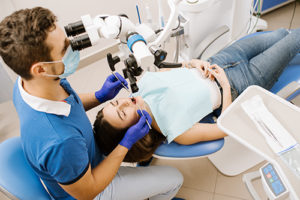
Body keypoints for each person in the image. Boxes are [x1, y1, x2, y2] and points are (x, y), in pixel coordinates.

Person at [0, 7, 184, 200]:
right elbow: (88, 192)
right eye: (64, 48)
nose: (73, 47)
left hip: (79, 160)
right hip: (90, 190)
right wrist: (126, 143)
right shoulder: (62, 141)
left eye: (68, 39)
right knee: (174, 179)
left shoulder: (29, 85)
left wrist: (99, 96)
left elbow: (66, 103)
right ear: (40, 69)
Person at [93, 28, 300, 163]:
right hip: (242, 82)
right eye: (122, 114)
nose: (124, 103)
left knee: (281, 34)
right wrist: (226, 87)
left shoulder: (142, 85)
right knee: (294, 40)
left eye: (116, 103)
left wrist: (194, 63)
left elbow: (175, 70)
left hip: (223, 58)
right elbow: (224, 128)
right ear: (133, 131)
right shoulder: (175, 130)